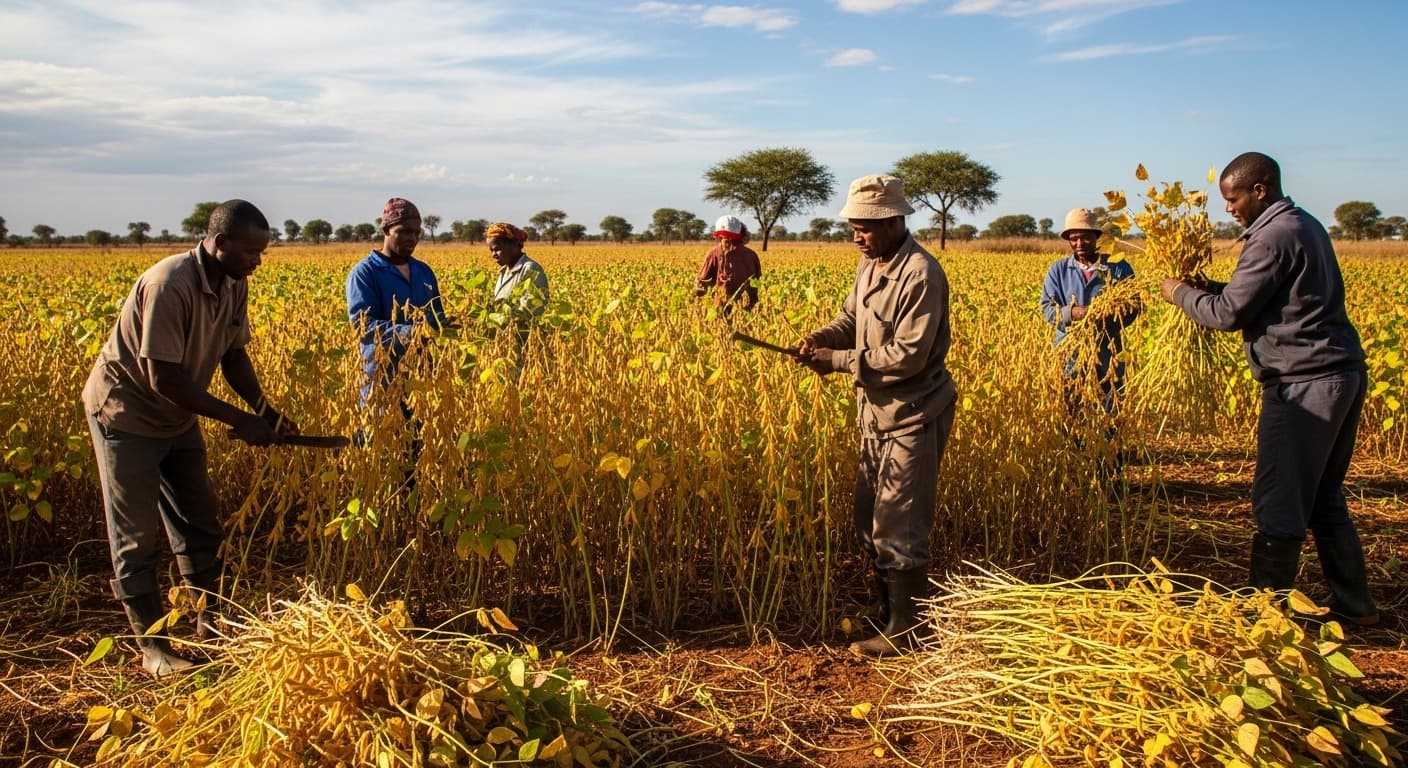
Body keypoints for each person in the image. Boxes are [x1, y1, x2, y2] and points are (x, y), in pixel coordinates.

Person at [1159, 151, 1379, 627]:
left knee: (1279, 498)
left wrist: (1178, 292)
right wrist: (1210, 285)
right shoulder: (1304, 225)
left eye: (1233, 198)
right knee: (1321, 496)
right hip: (1339, 372)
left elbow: (1228, 314)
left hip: (1303, 383)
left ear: (1260, 189)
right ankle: (1356, 606)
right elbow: (1264, 297)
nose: (1228, 209)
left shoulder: (1270, 238)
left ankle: (1265, 617)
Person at [83, 199, 298, 677]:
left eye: (262, 253)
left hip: (177, 417)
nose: (257, 262)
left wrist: (265, 411)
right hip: (128, 415)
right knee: (136, 537)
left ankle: (209, 619)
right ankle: (153, 647)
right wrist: (237, 420)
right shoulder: (169, 284)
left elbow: (234, 357)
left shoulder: (232, 282)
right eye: (250, 252)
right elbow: (165, 379)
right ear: (220, 243)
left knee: (199, 520)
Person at [795, 174, 957, 657]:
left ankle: (907, 630)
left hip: (914, 412)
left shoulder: (921, 274)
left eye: (863, 226)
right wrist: (823, 338)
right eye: (853, 226)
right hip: (875, 413)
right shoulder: (871, 264)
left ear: (892, 221)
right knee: (868, 518)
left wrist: (839, 362)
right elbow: (852, 320)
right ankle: (887, 611)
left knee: (899, 522)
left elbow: (908, 354)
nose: (855, 235)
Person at [1039, 208, 1141, 430]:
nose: (1079, 243)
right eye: (1073, 238)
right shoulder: (1058, 270)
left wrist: (1107, 315)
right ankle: (1076, 453)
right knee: (1072, 405)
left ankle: (1111, 459)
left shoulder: (1118, 267)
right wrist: (1074, 313)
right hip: (1070, 351)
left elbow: (1134, 306)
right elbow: (1048, 309)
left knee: (1110, 404)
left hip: (1108, 350)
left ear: (1097, 237)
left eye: (1085, 237)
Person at [345, 197, 450, 411]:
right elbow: (363, 326)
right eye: (404, 231)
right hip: (382, 378)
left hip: (420, 379)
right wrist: (414, 332)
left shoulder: (424, 272)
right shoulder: (365, 273)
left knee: (419, 441)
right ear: (386, 230)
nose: (412, 238)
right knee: (381, 437)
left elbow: (436, 316)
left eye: (416, 233)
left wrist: (446, 327)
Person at [694, 215, 762, 312]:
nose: (731, 246)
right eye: (727, 241)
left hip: (731, 309)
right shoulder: (751, 255)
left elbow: (701, 285)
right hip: (739, 309)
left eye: (733, 241)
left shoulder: (714, 254)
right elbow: (756, 284)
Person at [487, 221, 549, 318]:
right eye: (491, 250)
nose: (494, 254)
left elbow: (534, 309)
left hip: (525, 331)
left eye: (497, 249)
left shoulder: (530, 269)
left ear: (514, 245)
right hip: (506, 331)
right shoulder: (503, 272)